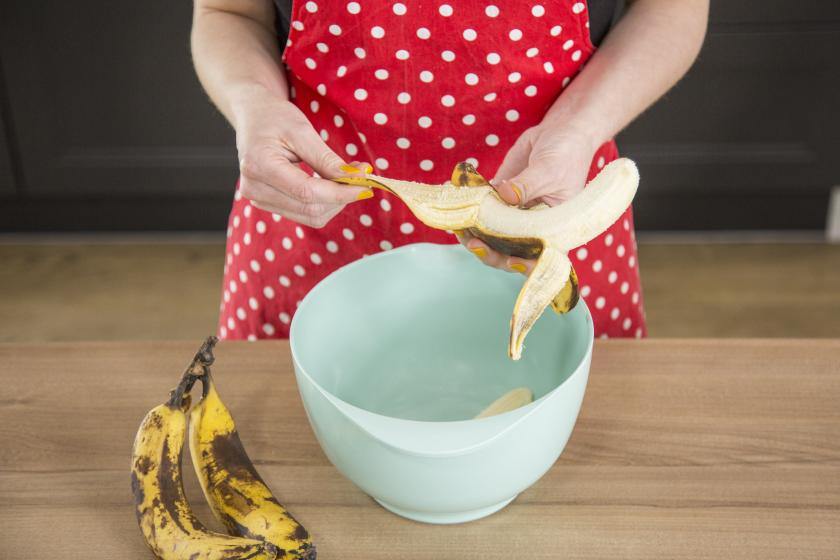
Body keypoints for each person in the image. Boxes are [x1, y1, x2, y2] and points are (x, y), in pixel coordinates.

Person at [191, 0, 709, 341]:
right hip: (314, 216)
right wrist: (253, 103)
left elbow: (671, 10)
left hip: (552, 200)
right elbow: (228, 12)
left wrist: (578, 128)